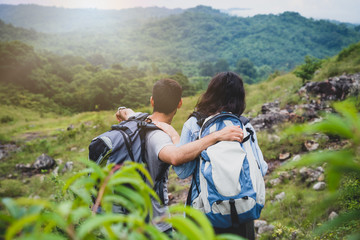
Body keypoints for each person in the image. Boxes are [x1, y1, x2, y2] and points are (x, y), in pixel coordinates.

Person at [115, 78, 244, 234]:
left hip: (122, 219)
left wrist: (122, 110)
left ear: (152, 101)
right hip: (153, 226)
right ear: (180, 103)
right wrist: (216, 136)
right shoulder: (158, 136)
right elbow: (176, 157)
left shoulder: (138, 120)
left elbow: (128, 112)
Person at [158, 72, 268, 239]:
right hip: (242, 209)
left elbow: (182, 172)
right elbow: (262, 168)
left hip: (205, 212)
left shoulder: (195, 124)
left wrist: (175, 139)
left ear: (210, 93)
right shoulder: (244, 125)